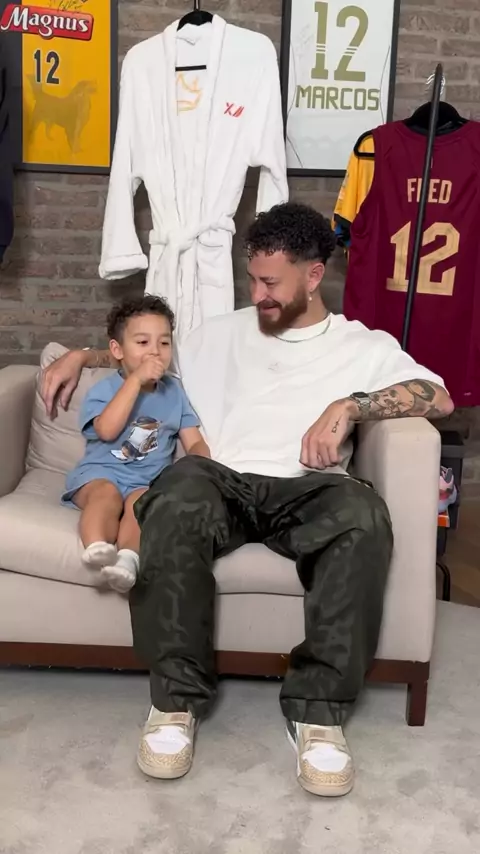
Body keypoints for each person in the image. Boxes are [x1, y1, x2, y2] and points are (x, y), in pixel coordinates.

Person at [42, 203, 453, 797]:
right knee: (172, 498)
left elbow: (438, 395)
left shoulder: (361, 345)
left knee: (363, 516)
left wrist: (351, 406)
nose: (258, 294)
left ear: (313, 276)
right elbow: (144, 356)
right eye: (252, 279)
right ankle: (175, 703)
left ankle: (317, 712)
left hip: (309, 486)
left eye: (271, 283)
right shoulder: (219, 334)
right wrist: (83, 355)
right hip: (221, 480)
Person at [61, 295, 210, 593]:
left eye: (164, 343)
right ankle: (98, 547)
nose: (155, 351)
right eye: (142, 342)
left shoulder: (174, 392)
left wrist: (197, 465)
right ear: (117, 350)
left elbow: (194, 441)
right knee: (106, 495)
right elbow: (106, 430)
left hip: (145, 482)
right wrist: (136, 380)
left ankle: (127, 560)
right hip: (99, 474)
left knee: (141, 507)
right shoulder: (105, 388)